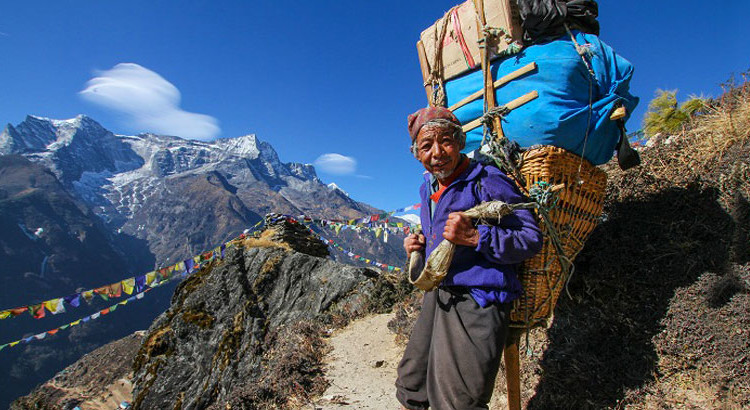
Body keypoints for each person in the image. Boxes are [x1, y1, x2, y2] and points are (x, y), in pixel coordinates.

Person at [395, 107, 543, 410]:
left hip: (480, 298)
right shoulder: (429, 189)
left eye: (446, 141)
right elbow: (442, 240)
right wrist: (419, 247)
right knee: (413, 384)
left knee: (459, 402)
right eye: (426, 146)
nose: (437, 152)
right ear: (416, 154)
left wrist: (477, 238)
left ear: (460, 142)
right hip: (441, 294)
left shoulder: (487, 180)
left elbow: (530, 238)